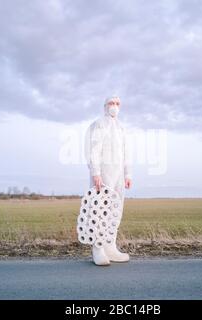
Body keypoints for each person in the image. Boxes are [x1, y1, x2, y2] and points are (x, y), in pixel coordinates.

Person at [85, 96, 132, 266]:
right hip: (103, 173)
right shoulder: (99, 124)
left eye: (118, 103)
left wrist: (128, 174)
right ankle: (98, 248)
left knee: (115, 209)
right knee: (99, 209)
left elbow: (126, 153)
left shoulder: (121, 128)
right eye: (111, 103)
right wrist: (95, 172)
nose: (115, 106)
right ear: (105, 106)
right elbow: (94, 150)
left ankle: (110, 246)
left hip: (118, 174)